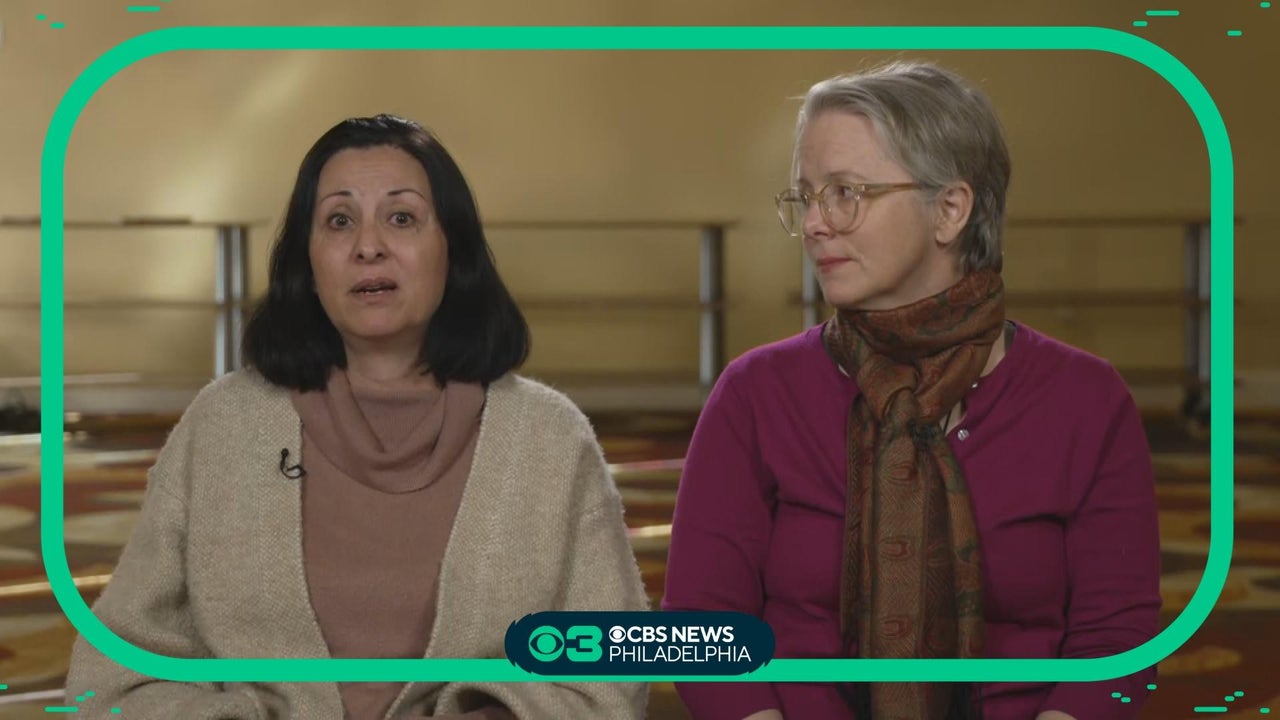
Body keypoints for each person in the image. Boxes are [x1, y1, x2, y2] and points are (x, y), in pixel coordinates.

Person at [66, 114, 650, 720]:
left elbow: (611, 675)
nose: (368, 246)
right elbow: (112, 678)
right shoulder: (223, 426)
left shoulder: (549, 438)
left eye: (402, 218)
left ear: (453, 250)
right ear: (308, 261)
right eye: (339, 221)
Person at [662, 61, 1161, 720]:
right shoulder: (756, 394)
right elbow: (701, 627)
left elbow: (1118, 643)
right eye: (806, 197)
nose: (815, 224)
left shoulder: (1086, 400)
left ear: (950, 210)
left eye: (846, 192)